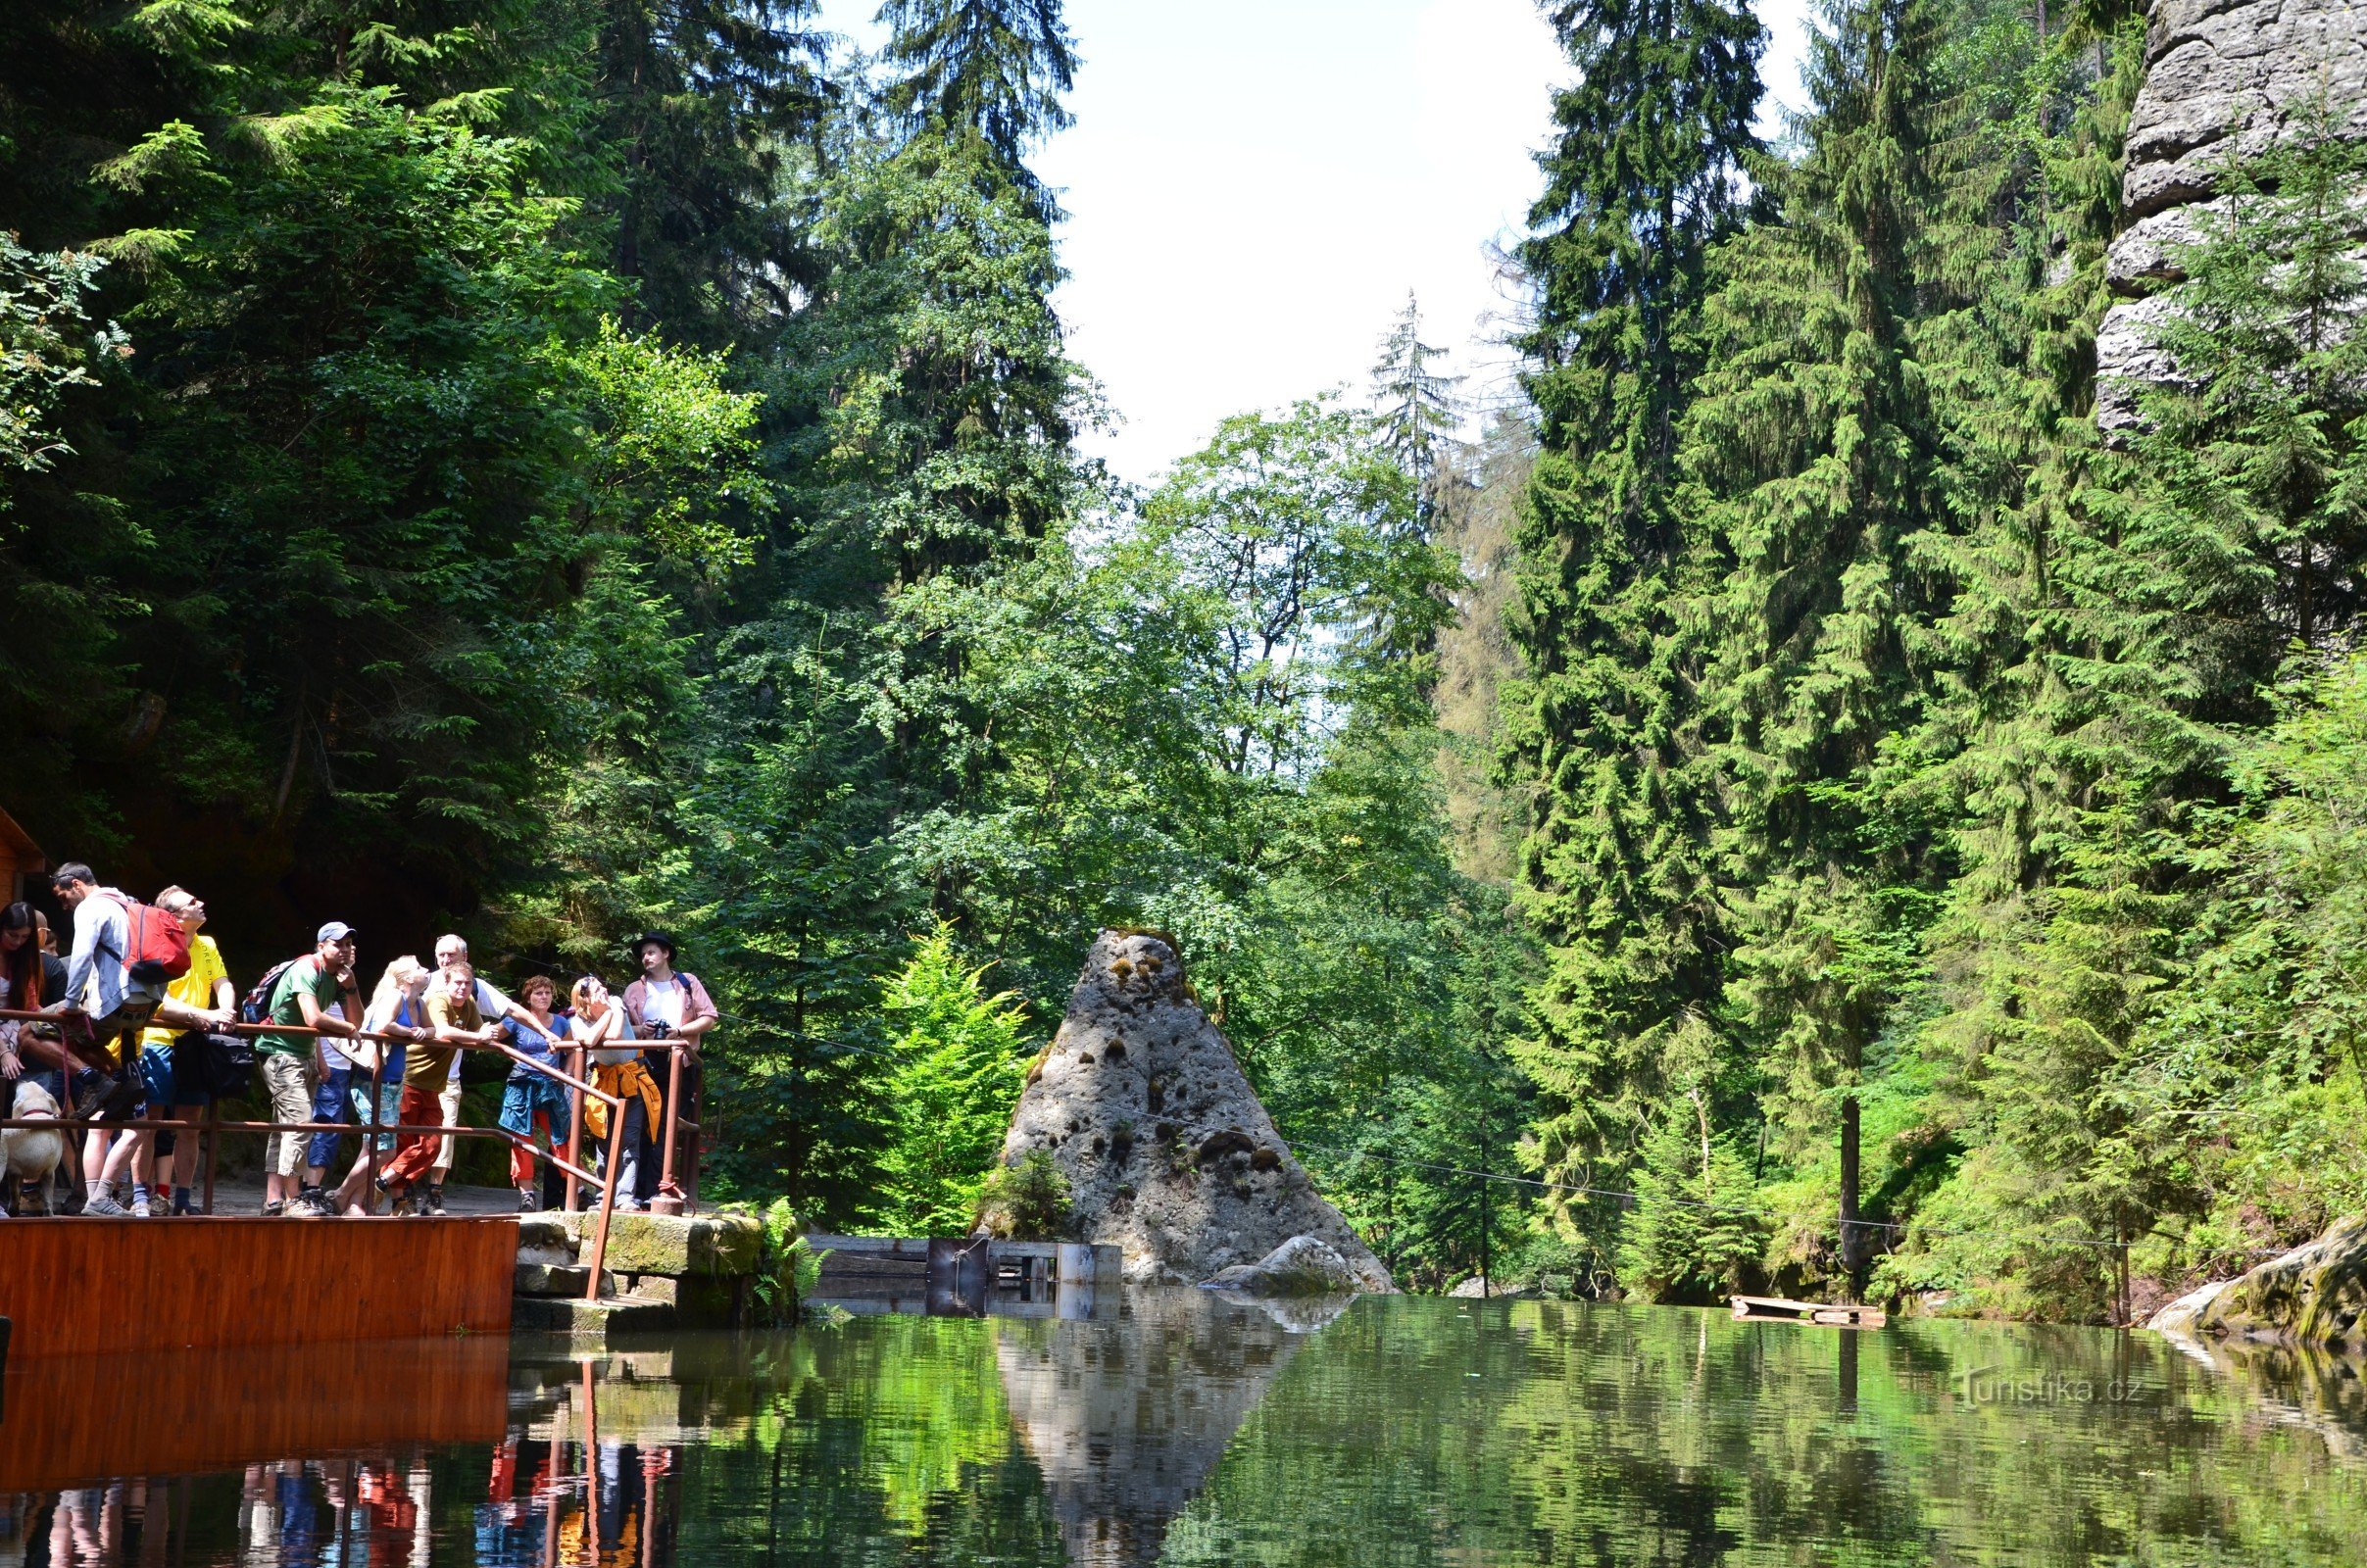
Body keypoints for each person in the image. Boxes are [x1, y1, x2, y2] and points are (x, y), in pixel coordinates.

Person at [135, 887, 238, 1215]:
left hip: (195, 1043)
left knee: (190, 1123)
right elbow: (157, 999)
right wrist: (206, 1015)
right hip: (159, 1038)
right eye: (193, 902)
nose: (202, 903)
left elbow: (222, 983)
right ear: (176, 915)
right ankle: (140, 1193)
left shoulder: (207, 945)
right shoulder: (158, 942)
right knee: (150, 1120)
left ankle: (182, 1198)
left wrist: (227, 1010)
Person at [429, 935, 561, 1187]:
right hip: (412, 1072)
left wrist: (545, 1033)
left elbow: (513, 1011)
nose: (445, 961)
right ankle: (399, 1192)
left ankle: (434, 1191)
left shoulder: (471, 987)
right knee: (407, 1135)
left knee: (445, 1135)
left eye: (451, 955)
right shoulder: (424, 982)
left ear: (464, 958)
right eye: (441, 955)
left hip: (448, 1077)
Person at [255, 923, 366, 1218]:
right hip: (279, 1052)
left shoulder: (337, 978)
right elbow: (312, 1017)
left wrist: (351, 987)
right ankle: (294, 1200)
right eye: (337, 944)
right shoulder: (307, 969)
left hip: (304, 1055)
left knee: (284, 1127)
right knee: (301, 1123)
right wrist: (347, 1029)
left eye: (347, 945)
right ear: (321, 947)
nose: (343, 950)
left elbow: (358, 1019)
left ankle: (273, 1200)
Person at [376, 962, 499, 1216]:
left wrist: (487, 1031)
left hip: (435, 1086)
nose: (463, 988)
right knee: (402, 1142)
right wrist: (478, 1037)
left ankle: (382, 1182)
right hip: (410, 1079)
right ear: (446, 982)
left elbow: (480, 1031)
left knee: (432, 1146)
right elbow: (443, 1031)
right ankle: (398, 1202)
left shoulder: (469, 1005)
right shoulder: (438, 1000)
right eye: (457, 983)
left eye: (467, 983)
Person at [334, 956, 435, 1216]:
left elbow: (432, 1028)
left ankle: (355, 1204)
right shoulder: (395, 997)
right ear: (409, 978)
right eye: (421, 967)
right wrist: (410, 1032)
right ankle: (342, 1193)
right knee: (385, 1150)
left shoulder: (418, 1002)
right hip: (372, 1082)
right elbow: (383, 1026)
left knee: (371, 1147)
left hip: (393, 1082)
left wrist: (424, 1032)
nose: (427, 970)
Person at [620, 933, 716, 1205]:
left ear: (665, 954)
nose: (645, 958)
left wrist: (679, 1031)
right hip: (643, 1061)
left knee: (666, 1125)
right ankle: (633, 1193)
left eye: (651, 952)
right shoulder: (633, 989)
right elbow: (624, 1028)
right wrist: (643, 1030)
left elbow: (710, 1017)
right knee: (637, 1125)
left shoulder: (688, 983)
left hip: (678, 1060)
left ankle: (658, 1190)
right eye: (642, 955)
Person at [571, 976, 656, 1211]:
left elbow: (614, 1035)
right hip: (604, 1082)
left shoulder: (616, 1001)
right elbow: (588, 1039)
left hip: (632, 1079)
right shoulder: (576, 1021)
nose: (604, 991)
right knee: (604, 1140)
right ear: (584, 998)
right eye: (597, 990)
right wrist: (605, 1014)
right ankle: (603, 1197)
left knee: (630, 1140)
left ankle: (625, 1198)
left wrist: (608, 1010)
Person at [497, 976, 571, 1212]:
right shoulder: (515, 1021)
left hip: (551, 1086)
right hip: (522, 1084)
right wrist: (512, 1055)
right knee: (521, 1140)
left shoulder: (561, 1023)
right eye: (538, 993)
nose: (544, 997)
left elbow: (574, 1050)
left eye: (548, 992)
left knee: (560, 1138)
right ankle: (527, 1197)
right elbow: (494, 1038)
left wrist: (565, 1074)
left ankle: (575, 1191)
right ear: (528, 997)